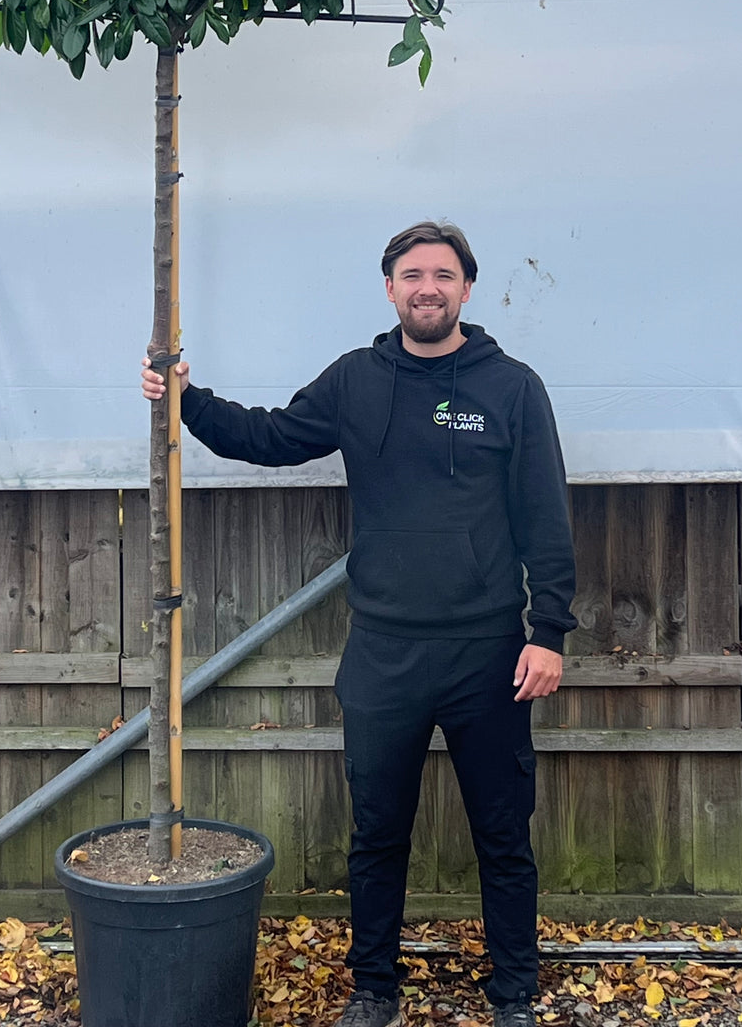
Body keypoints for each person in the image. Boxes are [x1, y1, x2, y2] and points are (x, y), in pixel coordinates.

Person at [140, 221, 577, 1027]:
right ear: (389, 288)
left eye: (444, 275)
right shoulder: (356, 382)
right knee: (377, 832)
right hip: (384, 652)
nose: (428, 288)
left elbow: (546, 518)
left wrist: (547, 632)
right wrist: (187, 401)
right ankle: (374, 988)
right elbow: (269, 437)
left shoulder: (512, 388)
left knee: (504, 837)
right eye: (412, 275)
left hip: (490, 654)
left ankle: (514, 992)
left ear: (467, 289)